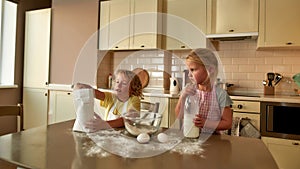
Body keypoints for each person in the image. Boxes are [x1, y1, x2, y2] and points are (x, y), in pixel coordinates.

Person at [175, 48, 233, 134]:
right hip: (189, 136)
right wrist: (182, 97)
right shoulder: (188, 90)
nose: (189, 74)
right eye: (189, 70)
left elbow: (227, 123)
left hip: (213, 139)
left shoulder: (220, 94)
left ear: (210, 70)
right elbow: (179, 116)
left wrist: (206, 123)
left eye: (193, 70)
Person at [74, 69, 143, 132]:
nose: (118, 86)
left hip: (124, 135)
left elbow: (128, 120)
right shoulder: (111, 97)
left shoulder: (134, 100)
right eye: (117, 82)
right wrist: (83, 87)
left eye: (124, 83)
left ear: (133, 88)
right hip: (107, 134)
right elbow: (95, 92)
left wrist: (103, 124)